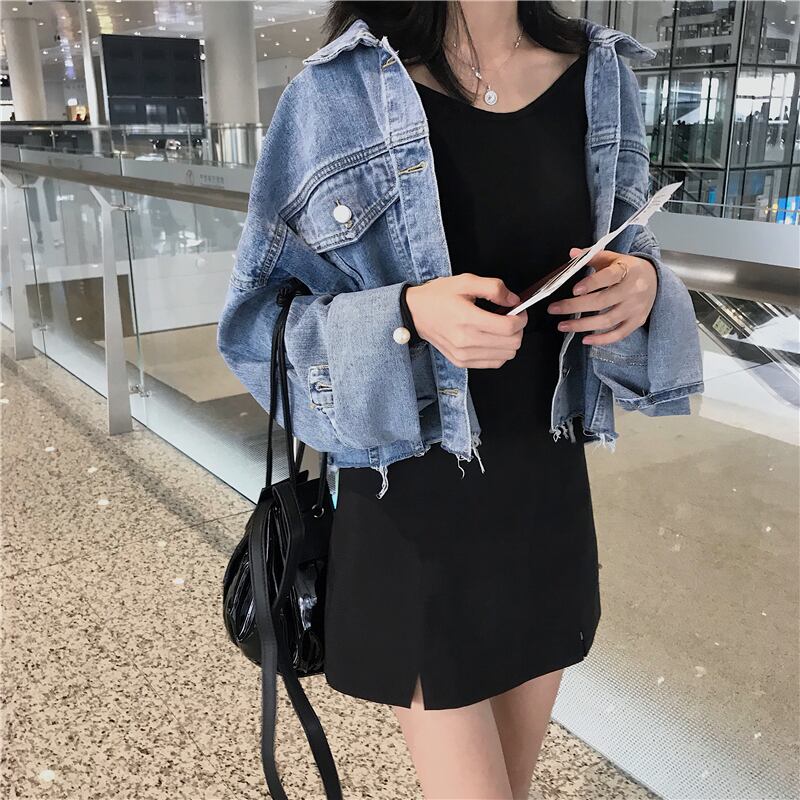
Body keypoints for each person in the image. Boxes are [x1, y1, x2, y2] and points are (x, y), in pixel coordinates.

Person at [216, 3, 704, 798]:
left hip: (545, 497)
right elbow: (255, 324)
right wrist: (407, 315)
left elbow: (626, 240)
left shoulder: (600, 75)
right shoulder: (338, 92)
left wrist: (642, 284)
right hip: (412, 505)